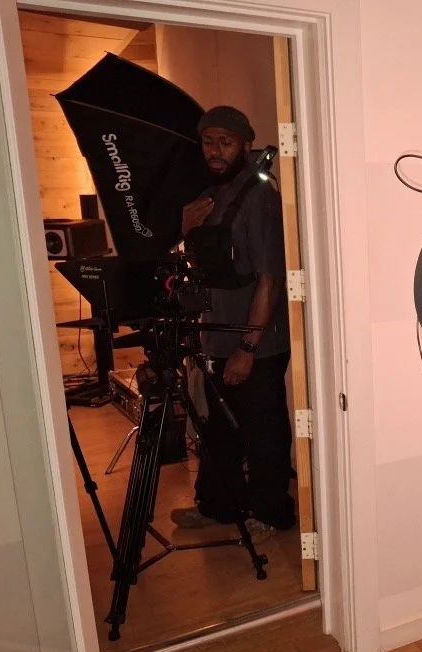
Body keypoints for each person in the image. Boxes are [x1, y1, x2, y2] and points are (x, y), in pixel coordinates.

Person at [171, 105, 295, 543]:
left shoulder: (260, 195)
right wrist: (184, 229)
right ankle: (218, 505)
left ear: (245, 143)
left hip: (256, 340)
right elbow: (202, 266)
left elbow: (271, 277)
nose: (215, 150)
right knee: (218, 428)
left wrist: (249, 348)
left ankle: (270, 511)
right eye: (209, 141)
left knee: (263, 430)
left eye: (225, 141)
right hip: (216, 335)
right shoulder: (209, 194)